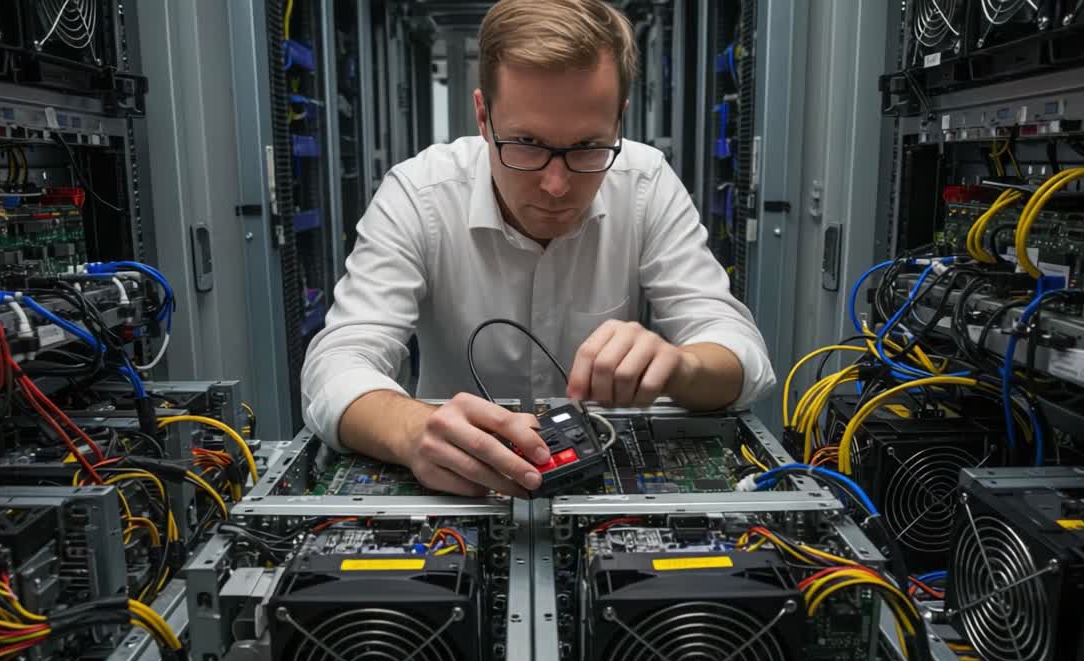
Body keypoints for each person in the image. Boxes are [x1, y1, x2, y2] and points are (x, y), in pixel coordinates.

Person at [301, 0, 774, 497]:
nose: (555, 184)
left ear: (620, 122)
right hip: (461, 481)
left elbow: (742, 354)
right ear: (483, 117)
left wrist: (682, 366)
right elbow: (337, 362)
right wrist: (410, 429)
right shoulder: (419, 194)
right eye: (526, 142)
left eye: (589, 146)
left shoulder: (646, 183)